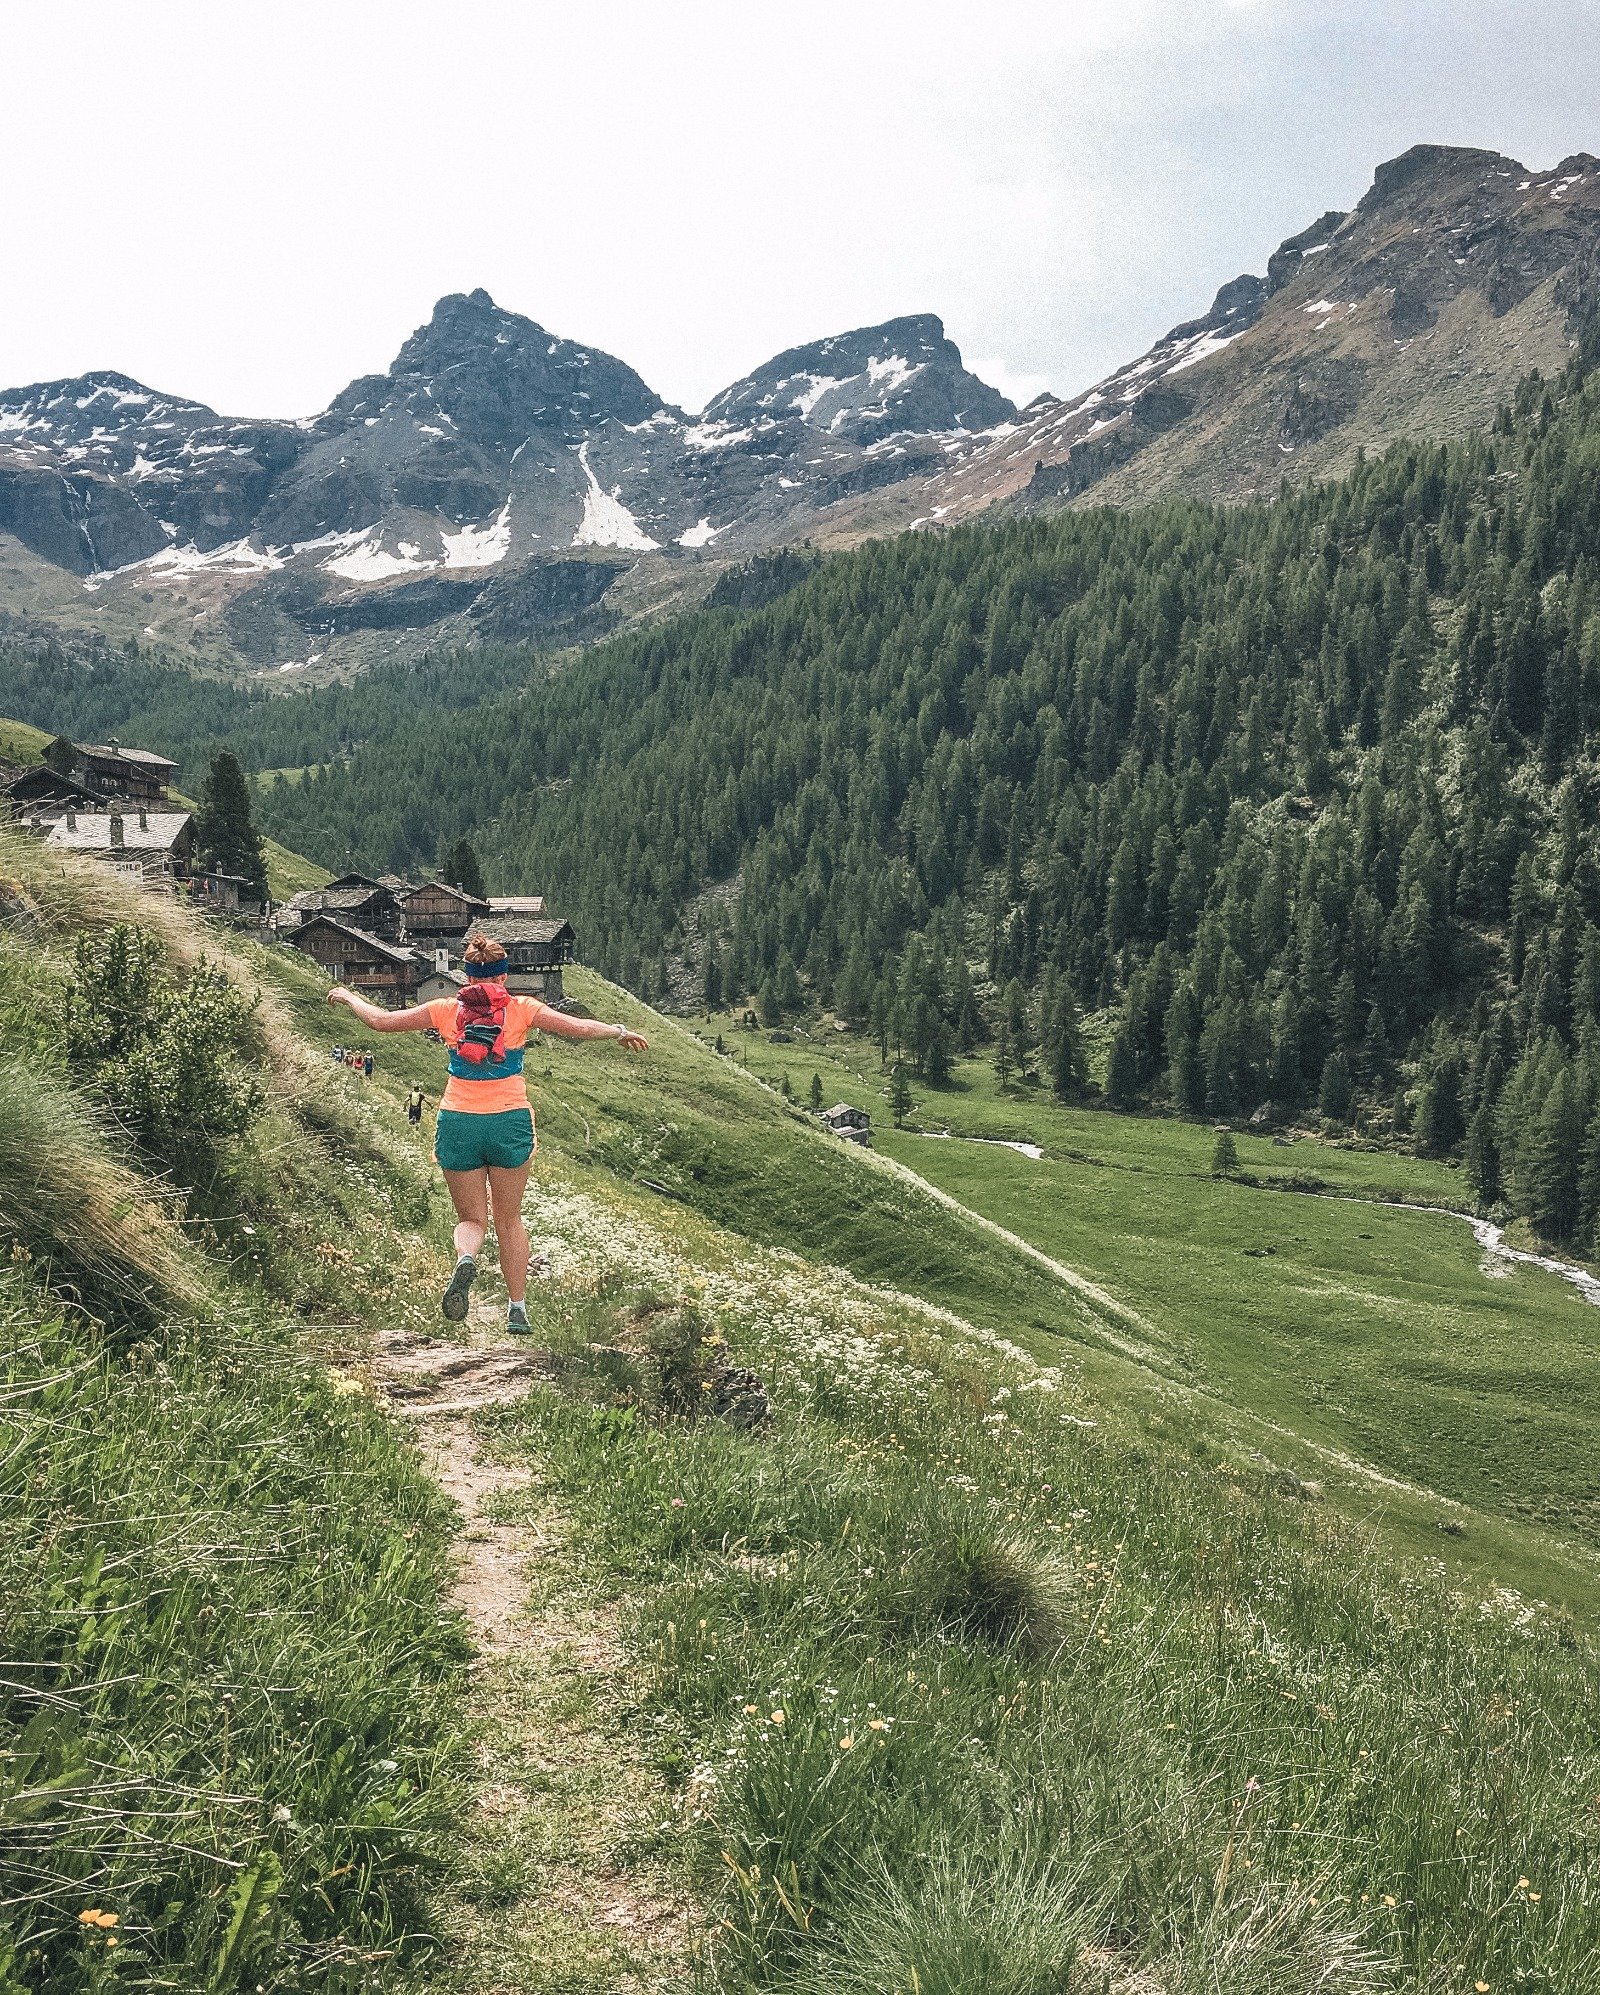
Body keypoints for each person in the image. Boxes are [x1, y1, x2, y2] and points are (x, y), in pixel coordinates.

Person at [326, 934, 647, 1335]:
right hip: (509, 1120)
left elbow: (381, 1022)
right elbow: (577, 1028)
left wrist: (348, 995)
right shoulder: (522, 1008)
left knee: (470, 1218)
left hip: (459, 1119)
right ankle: (517, 1310)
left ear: (467, 977)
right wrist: (618, 1030)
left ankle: (466, 1258)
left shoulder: (445, 1009)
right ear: (503, 976)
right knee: (509, 1220)